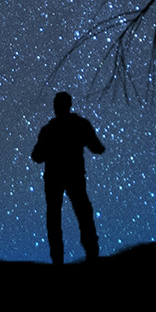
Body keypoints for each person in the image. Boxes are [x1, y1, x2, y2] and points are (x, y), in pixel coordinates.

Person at [29, 91, 105, 264]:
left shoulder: (49, 129)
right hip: (74, 175)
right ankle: (91, 252)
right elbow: (96, 147)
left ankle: (58, 259)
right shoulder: (79, 124)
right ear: (69, 105)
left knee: (54, 217)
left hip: (54, 178)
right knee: (83, 212)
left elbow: (36, 156)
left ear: (56, 107)